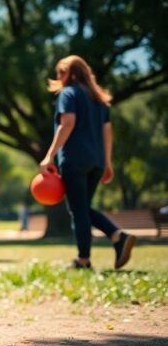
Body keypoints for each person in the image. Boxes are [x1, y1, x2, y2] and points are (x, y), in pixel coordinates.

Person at [40, 55, 135, 269]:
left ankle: (86, 258)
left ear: (72, 73)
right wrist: (107, 163)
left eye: (61, 73)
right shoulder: (99, 99)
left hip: (74, 159)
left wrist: (49, 155)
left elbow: (67, 123)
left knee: (79, 210)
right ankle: (116, 237)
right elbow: (107, 132)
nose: (58, 78)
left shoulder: (68, 93)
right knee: (82, 208)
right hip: (96, 162)